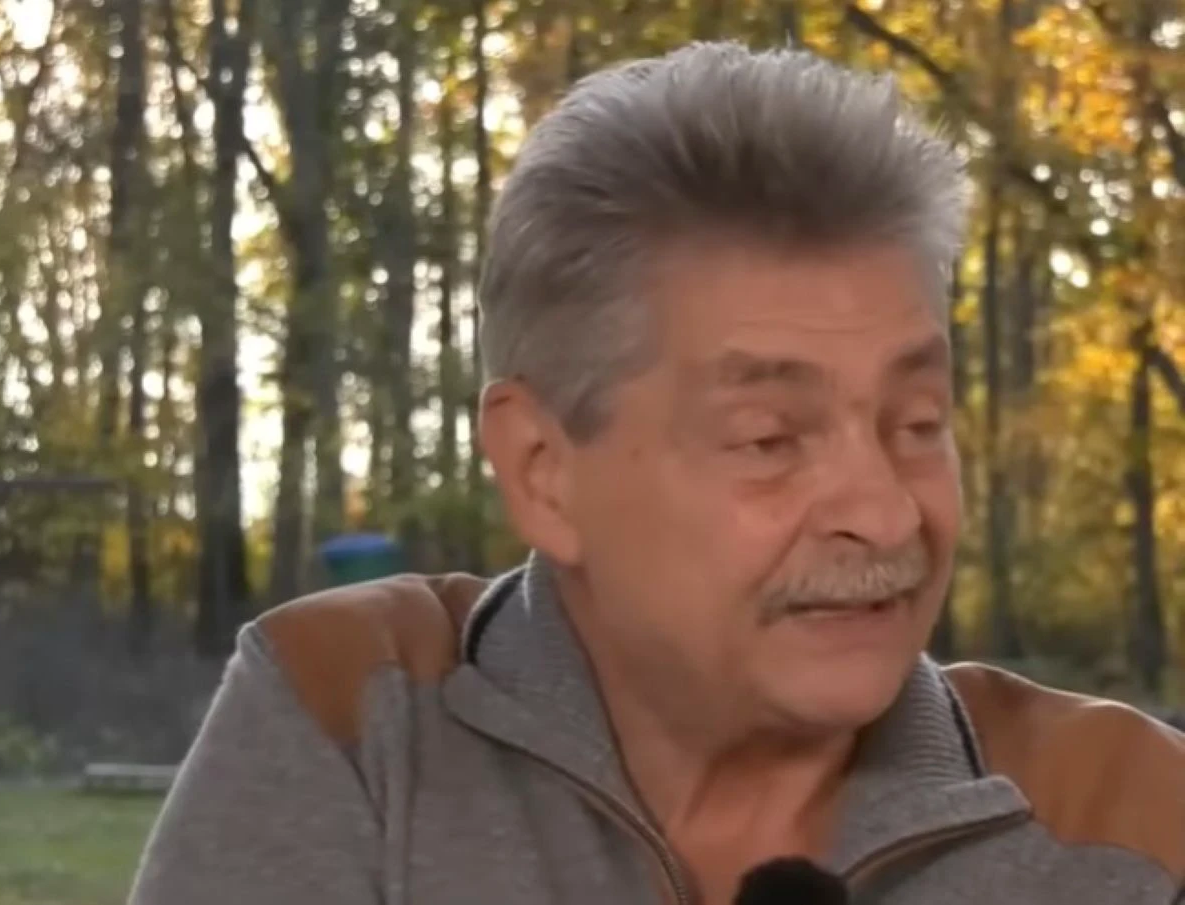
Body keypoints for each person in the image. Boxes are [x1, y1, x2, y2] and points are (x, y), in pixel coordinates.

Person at [129, 42, 1185, 905]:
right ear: (544, 470)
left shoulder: (1136, 815)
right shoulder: (352, 718)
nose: (884, 511)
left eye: (917, 422)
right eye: (770, 438)